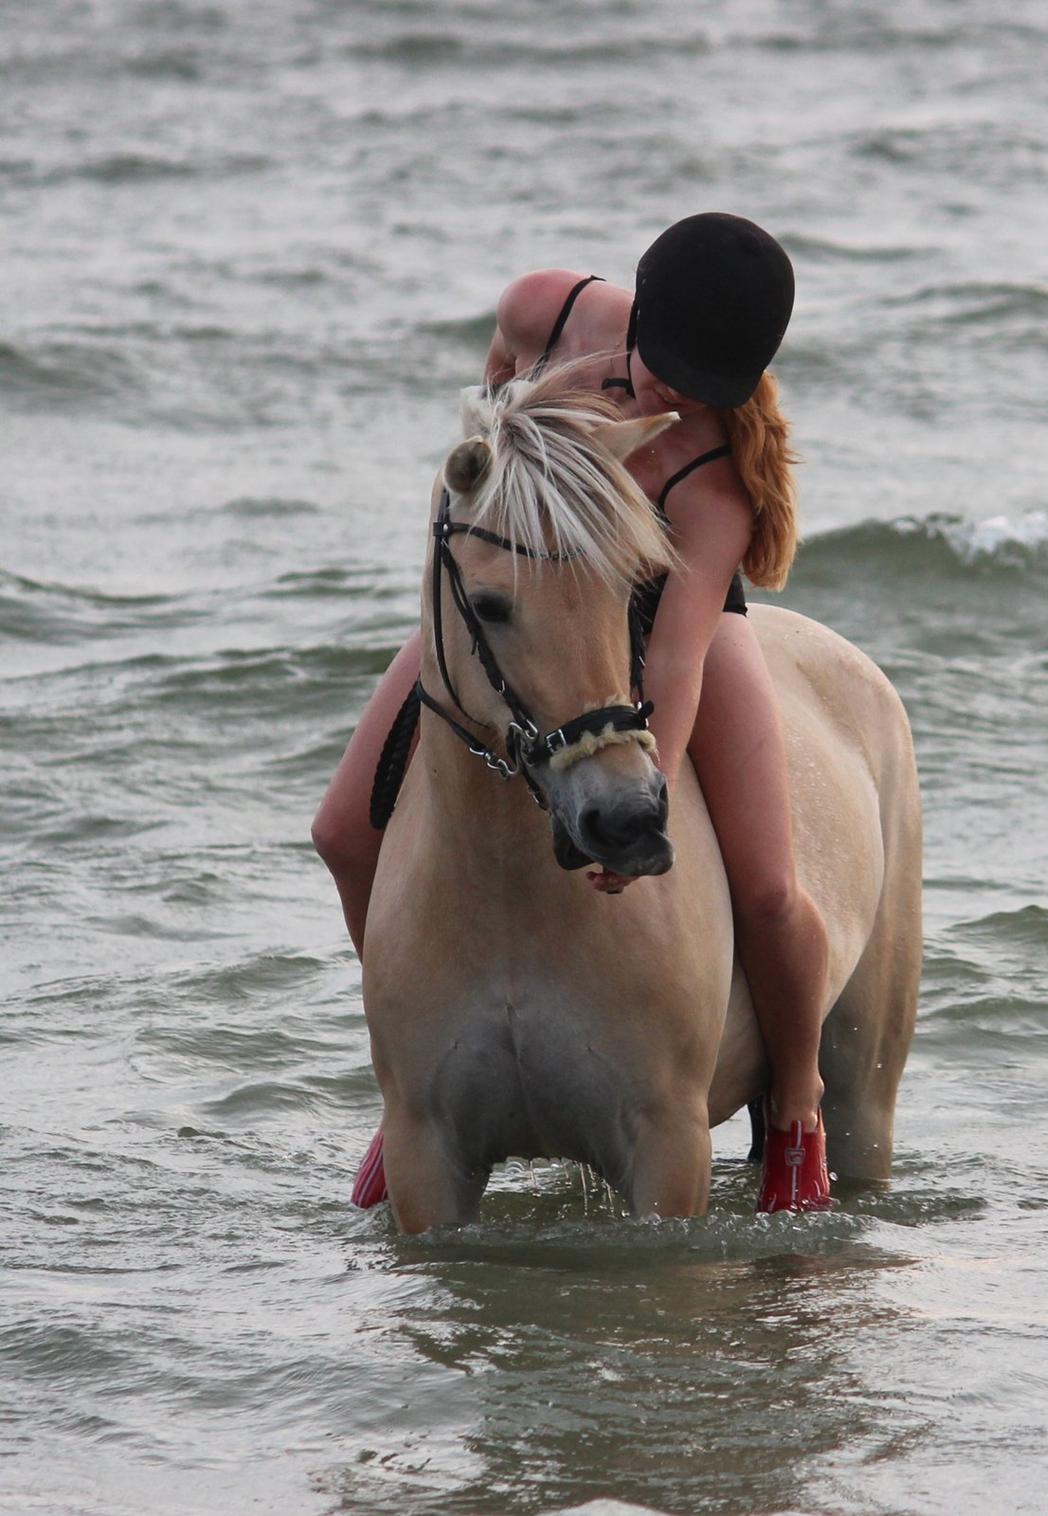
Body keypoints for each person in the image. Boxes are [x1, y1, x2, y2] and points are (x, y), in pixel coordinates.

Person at [313, 212, 832, 1213]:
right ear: (634, 310)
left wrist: (649, 807)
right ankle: (411, 1069)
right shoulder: (545, 308)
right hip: (535, 586)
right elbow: (493, 390)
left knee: (770, 892)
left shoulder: (710, 475)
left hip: (667, 603)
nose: (673, 393)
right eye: (665, 362)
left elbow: (677, 654)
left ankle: (799, 1107)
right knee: (341, 831)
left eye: (703, 385)